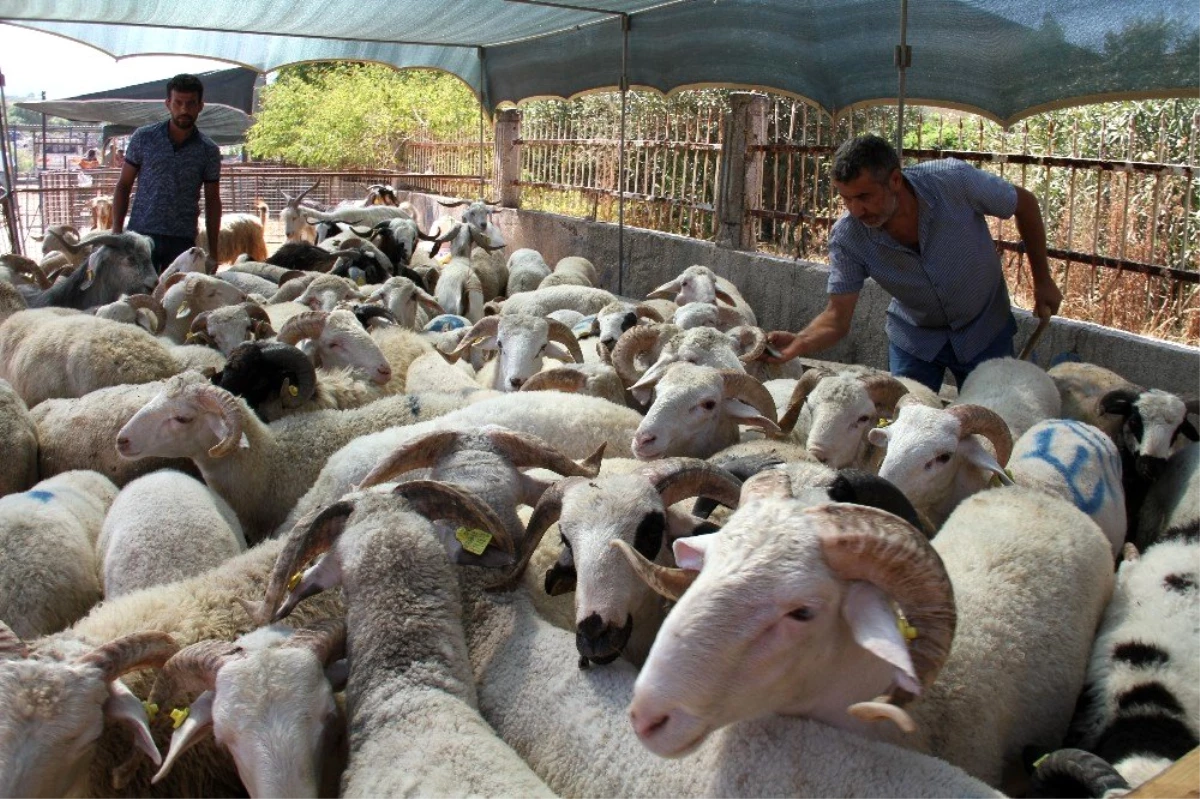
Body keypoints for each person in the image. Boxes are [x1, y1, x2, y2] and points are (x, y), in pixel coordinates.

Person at [766, 134, 1063, 392]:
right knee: (905, 422)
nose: (856, 210)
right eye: (846, 199)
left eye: (864, 197)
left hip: (985, 328)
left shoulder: (954, 181)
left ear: (895, 180)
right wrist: (799, 343)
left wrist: (1043, 280)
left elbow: (1024, 204)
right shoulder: (848, 238)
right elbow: (837, 317)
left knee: (992, 421)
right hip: (917, 340)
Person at [112, 73, 221, 274]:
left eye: (191, 103)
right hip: (141, 237)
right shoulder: (144, 138)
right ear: (168, 103)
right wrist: (117, 234)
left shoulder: (209, 150)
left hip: (182, 241)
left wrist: (213, 252)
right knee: (136, 298)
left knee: (177, 299)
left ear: (200, 106)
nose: (184, 109)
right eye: (178, 102)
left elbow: (213, 200)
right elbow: (123, 185)